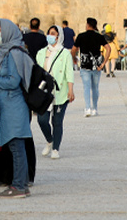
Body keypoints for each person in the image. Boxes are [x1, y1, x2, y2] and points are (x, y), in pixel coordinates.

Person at [0, 19, 34, 198]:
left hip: (15, 106)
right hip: (10, 105)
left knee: (16, 148)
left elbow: (13, 82)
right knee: (16, 147)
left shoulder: (14, 53)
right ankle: (21, 184)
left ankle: (18, 187)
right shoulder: (9, 52)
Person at [35, 25, 74, 158]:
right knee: (42, 120)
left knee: (57, 121)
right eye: (49, 33)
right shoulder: (41, 53)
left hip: (60, 91)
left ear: (59, 37)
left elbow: (69, 73)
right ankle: (49, 140)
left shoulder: (65, 53)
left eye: (53, 34)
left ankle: (56, 148)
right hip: (44, 91)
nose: (50, 36)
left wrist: (71, 90)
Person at [73, 18, 108, 116]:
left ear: (87, 25)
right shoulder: (99, 36)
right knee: (95, 88)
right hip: (97, 66)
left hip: (85, 66)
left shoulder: (81, 36)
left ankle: (87, 108)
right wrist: (104, 63)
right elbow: (108, 48)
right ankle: (95, 108)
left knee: (86, 87)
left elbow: (74, 49)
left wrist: (74, 58)